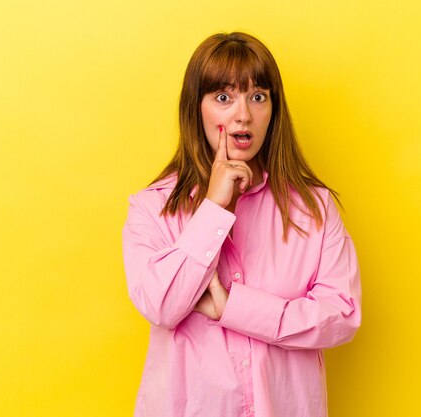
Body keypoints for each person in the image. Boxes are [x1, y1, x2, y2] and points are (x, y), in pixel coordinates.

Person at [121, 31, 362, 417]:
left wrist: (234, 308)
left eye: (257, 96)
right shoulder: (153, 208)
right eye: (223, 97)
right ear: (195, 108)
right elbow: (162, 305)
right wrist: (214, 207)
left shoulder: (314, 208)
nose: (243, 114)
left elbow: (342, 316)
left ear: (273, 109)